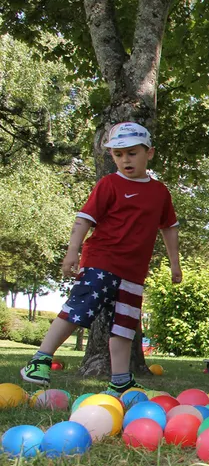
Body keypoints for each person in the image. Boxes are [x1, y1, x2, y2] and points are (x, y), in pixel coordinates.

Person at [20, 122, 181, 394]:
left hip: (133, 271)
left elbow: (169, 228)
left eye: (132, 153)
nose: (125, 160)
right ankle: (40, 359)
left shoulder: (160, 192)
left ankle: (120, 382)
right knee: (80, 307)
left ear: (149, 152)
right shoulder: (109, 184)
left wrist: (175, 264)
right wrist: (73, 252)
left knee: (125, 326)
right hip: (101, 262)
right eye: (118, 155)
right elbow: (84, 219)